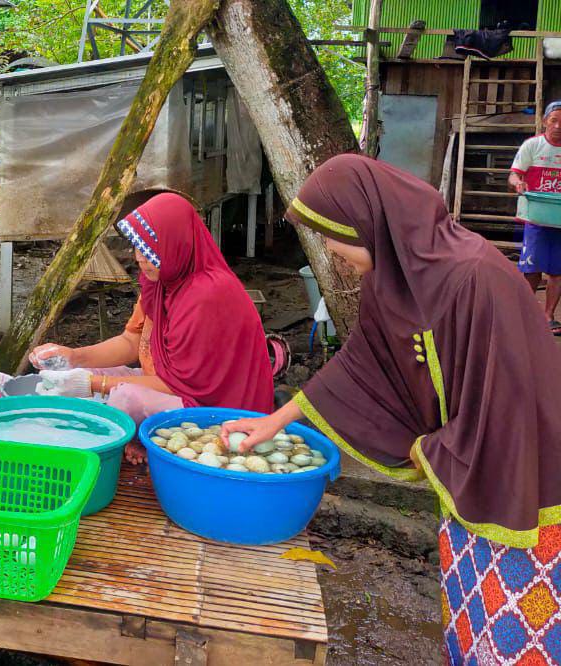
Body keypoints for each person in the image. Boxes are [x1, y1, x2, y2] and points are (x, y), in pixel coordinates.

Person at [222, 154, 561, 665]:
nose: (335, 258)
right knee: (470, 620)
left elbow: (516, 402)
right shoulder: (393, 279)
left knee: (519, 630)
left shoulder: (477, 279)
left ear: (369, 223)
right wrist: (273, 421)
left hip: (521, 484)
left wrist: (436, 449)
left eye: (337, 242)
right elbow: (362, 363)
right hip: (464, 479)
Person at [31, 193, 274, 464]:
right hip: (168, 384)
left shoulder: (206, 295)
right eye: (137, 248)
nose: (139, 258)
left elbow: (181, 387)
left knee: (123, 395)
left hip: (216, 410)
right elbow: (131, 342)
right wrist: (74, 357)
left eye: (149, 250)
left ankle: (122, 450)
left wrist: (94, 385)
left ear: (176, 244)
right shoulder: (161, 281)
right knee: (78, 374)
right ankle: (132, 440)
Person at [509, 100, 561, 334]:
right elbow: (514, 175)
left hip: (559, 220)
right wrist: (518, 183)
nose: (558, 126)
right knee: (530, 268)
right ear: (544, 122)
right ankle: (524, 314)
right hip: (535, 217)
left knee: (557, 271)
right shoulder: (532, 146)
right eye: (554, 121)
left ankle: (548, 317)